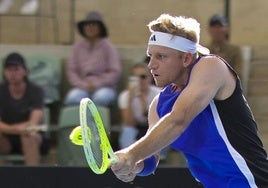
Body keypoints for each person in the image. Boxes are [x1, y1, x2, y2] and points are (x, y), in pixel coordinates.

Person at [111, 14, 268, 187]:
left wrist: (131, 154)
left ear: (186, 58)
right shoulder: (158, 104)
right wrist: (133, 166)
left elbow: (178, 120)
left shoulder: (211, 67)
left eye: (161, 56)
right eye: (150, 56)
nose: (151, 65)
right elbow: (151, 158)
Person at [65, 11, 121, 106]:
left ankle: (94, 121)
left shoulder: (108, 47)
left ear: (100, 28)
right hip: (82, 86)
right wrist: (82, 84)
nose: (90, 28)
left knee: (100, 98)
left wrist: (98, 83)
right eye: (87, 25)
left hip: (104, 87)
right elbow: (72, 71)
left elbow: (115, 72)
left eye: (93, 25)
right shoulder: (77, 47)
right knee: (72, 98)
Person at [0, 52, 47, 165]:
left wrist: (11, 128)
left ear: (25, 71)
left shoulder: (36, 91)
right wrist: (16, 129)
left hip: (31, 135)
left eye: (16, 69)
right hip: (6, 138)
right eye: (9, 70)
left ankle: (32, 179)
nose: (12, 74)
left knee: (29, 137)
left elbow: (33, 123)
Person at [118, 62, 161, 149]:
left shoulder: (158, 93)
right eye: (135, 77)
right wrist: (130, 100)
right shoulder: (125, 96)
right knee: (127, 132)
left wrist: (144, 102)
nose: (139, 80)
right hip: (136, 127)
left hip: (153, 126)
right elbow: (129, 123)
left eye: (143, 77)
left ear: (150, 78)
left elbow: (159, 120)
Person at [207, 14, 243, 79]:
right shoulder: (204, 51)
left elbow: (238, 74)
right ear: (209, 29)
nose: (217, 30)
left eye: (220, 26)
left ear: (227, 29)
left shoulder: (234, 51)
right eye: (214, 27)